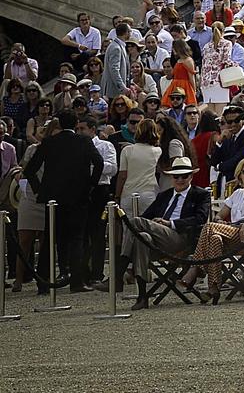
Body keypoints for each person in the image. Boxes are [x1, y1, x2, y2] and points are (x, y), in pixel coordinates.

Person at [22, 108, 104, 293]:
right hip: (78, 196)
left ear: (59, 124)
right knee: (76, 239)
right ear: (76, 124)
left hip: (53, 197)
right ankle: (77, 282)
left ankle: (43, 283)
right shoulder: (83, 140)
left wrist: (39, 189)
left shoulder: (49, 142)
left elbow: (29, 170)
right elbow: (98, 162)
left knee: (49, 240)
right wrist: (90, 184)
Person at [123, 155, 211, 309]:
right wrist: (155, 225)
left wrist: (170, 223)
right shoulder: (164, 196)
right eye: (176, 176)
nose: (180, 179)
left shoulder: (200, 194)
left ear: (191, 176)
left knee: (134, 222)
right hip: (157, 241)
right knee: (141, 237)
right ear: (171, 177)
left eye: (184, 176)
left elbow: (200, 219)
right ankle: (142, 296)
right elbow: (145, 218)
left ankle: (120, 271)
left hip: (182, 238)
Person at [190, 155, 244, 302]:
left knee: (209, 227)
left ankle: (196, 268)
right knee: (215, 238)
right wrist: (222, 223)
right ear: (239, 175)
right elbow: (218, 217)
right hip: (233, 234)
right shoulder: (237, 193)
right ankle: (214, 287)